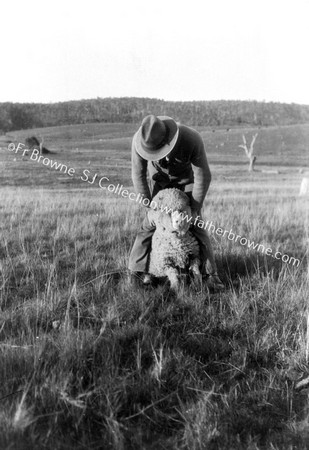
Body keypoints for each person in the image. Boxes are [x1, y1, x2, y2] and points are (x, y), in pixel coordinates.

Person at [128, 114, 224, 290]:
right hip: (159, 187)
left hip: (186, 185)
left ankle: (210, 275)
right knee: (149, 226)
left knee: (196, 225)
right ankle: (139, 272)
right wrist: (149, 206)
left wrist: (194, 208)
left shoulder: (191, 139)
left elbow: (203, 175)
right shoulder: (138, 141)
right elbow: (138, 174)